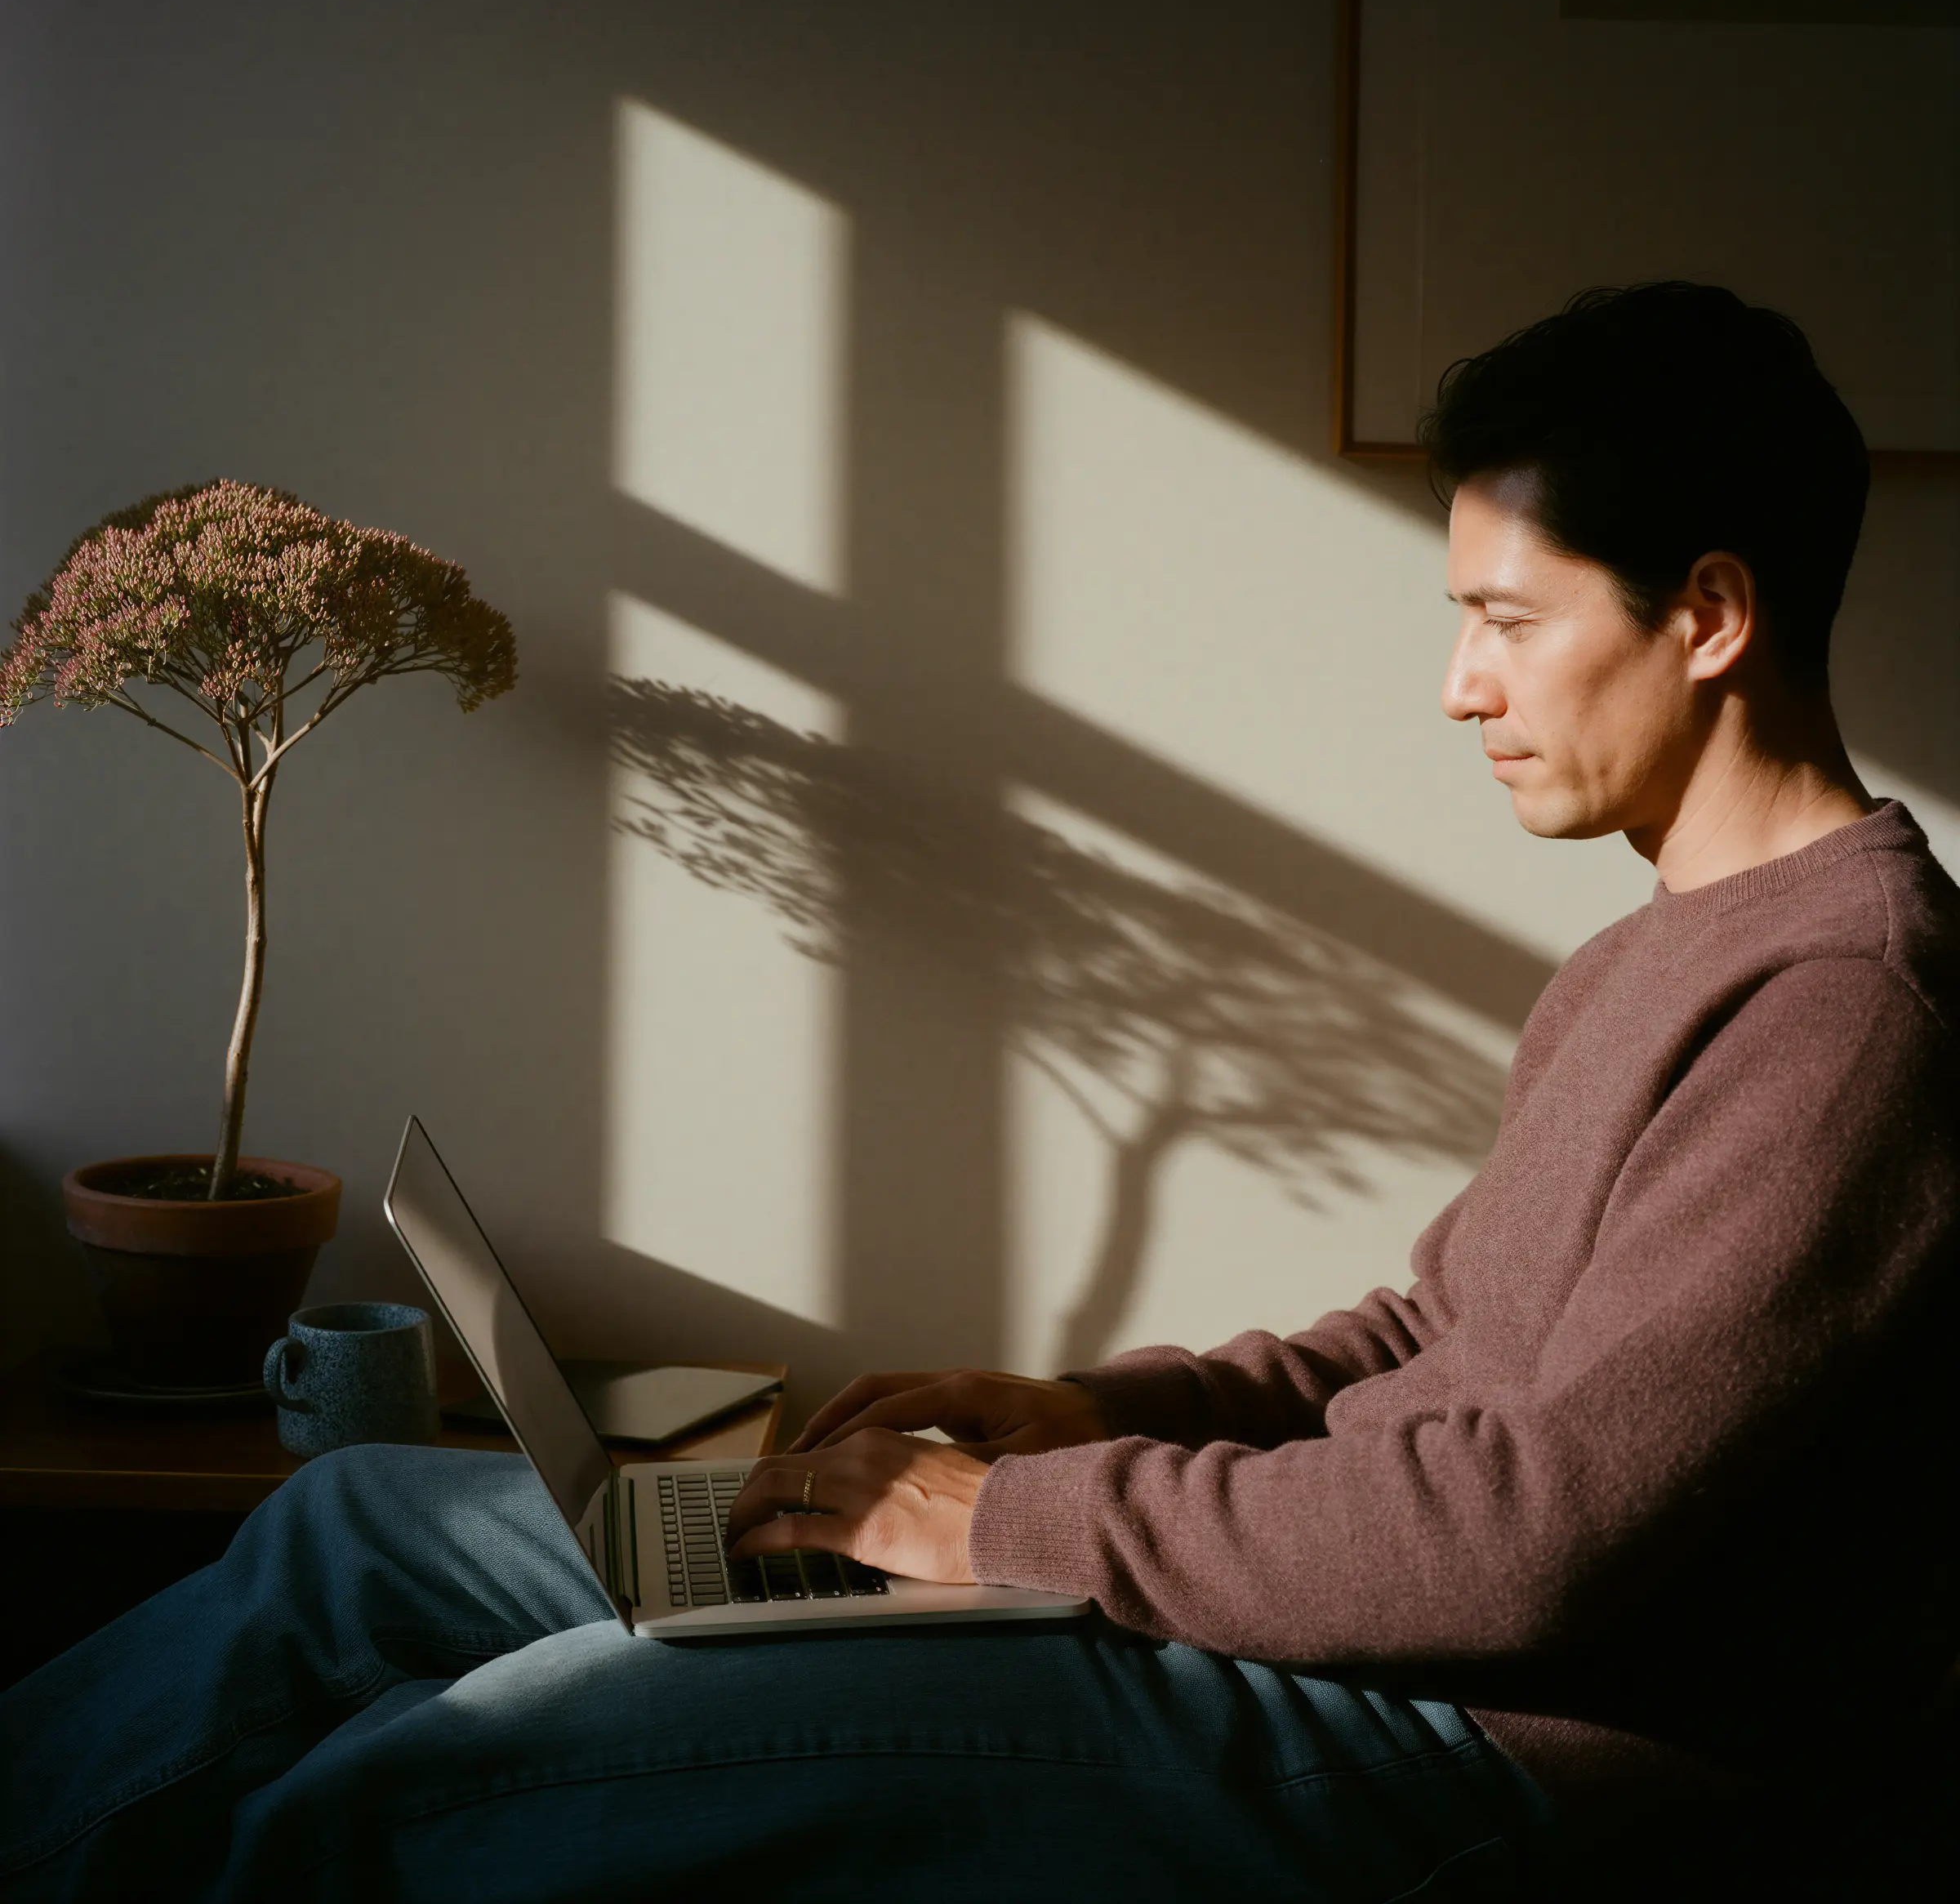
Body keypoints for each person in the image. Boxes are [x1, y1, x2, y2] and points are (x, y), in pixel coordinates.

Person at [3, 282, 1952, 1902]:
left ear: (1708, 616)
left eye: (1510, 625)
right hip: (1312, 1607)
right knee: (358, 1534)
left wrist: (1005, 1521)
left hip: (1471, 1739)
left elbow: (1529, 1536)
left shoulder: (1850, 1007)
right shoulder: (1661, 950)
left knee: (451, 1783)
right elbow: (1438, 1337)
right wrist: (1081, 1409)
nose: (1460, 686)